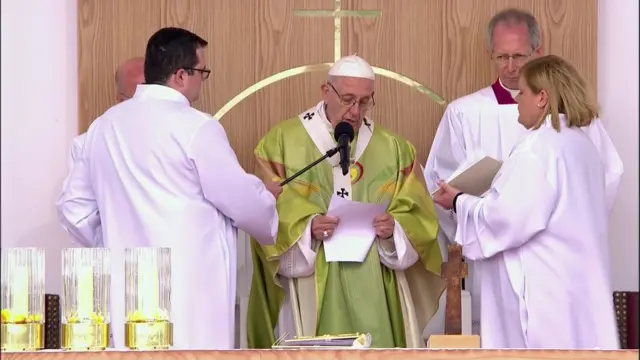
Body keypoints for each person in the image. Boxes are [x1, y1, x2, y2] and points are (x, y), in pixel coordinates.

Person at [57, 27, 282, 350]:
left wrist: (115, 243)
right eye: (202, 72)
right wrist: (266, 197)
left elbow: (74, 208)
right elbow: (241, 200)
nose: (203, 80)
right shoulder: (196, 127)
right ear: (181, 75)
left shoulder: (102, 127)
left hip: (128, 288)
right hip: (191, 287)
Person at [423, 8, 623, 337]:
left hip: (535, 268)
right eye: (503, 57)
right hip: (561, 265)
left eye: (520, 56)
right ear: (490, 54)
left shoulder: (541, 144)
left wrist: (461, 202)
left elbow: (510, 216)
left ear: (536, 53)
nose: (512, 67)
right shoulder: (467, 112)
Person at [247, 55, 446, 349]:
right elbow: (266, 208)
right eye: (348, 99)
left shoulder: (395, 148)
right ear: (325, 91)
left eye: (365, 101)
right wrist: (306, 227)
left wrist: (395, 230)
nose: (355, 111)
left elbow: (419, 215)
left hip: (375, 279)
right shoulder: (281, 142)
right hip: (312, 278)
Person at [59, 57, 145, 246]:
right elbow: (75, 213)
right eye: (137, 99)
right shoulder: (86, 144)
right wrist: (108, 246)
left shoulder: (185, 139)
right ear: (120, 100)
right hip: (117, 265)